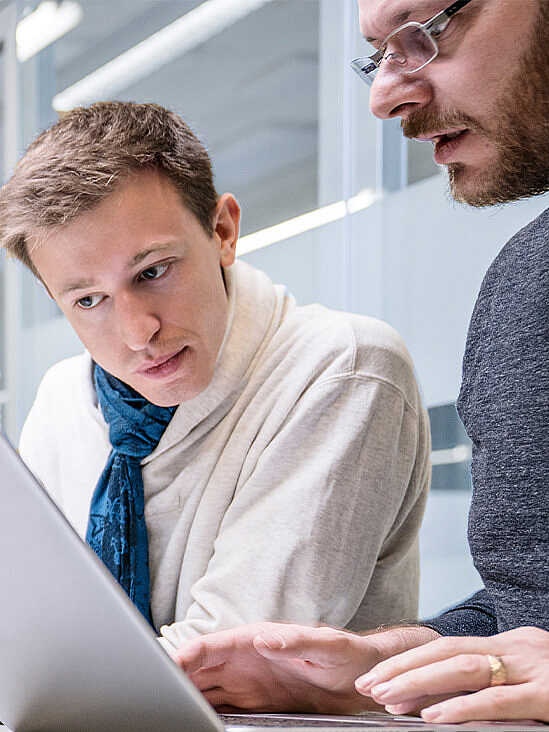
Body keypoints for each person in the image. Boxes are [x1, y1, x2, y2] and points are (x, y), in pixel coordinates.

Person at [172, 0, 549, 723]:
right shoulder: (521, 282)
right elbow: (527, 609)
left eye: (425, 32)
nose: (382, 96)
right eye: (375, 56)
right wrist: (387, 665)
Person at [0, 101, 431, 648]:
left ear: (223, 231)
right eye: (89, 300)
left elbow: (234, 650)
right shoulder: (64, 396)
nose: (138, 332)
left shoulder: (343, 369)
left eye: (152, 271)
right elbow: (27, 626)